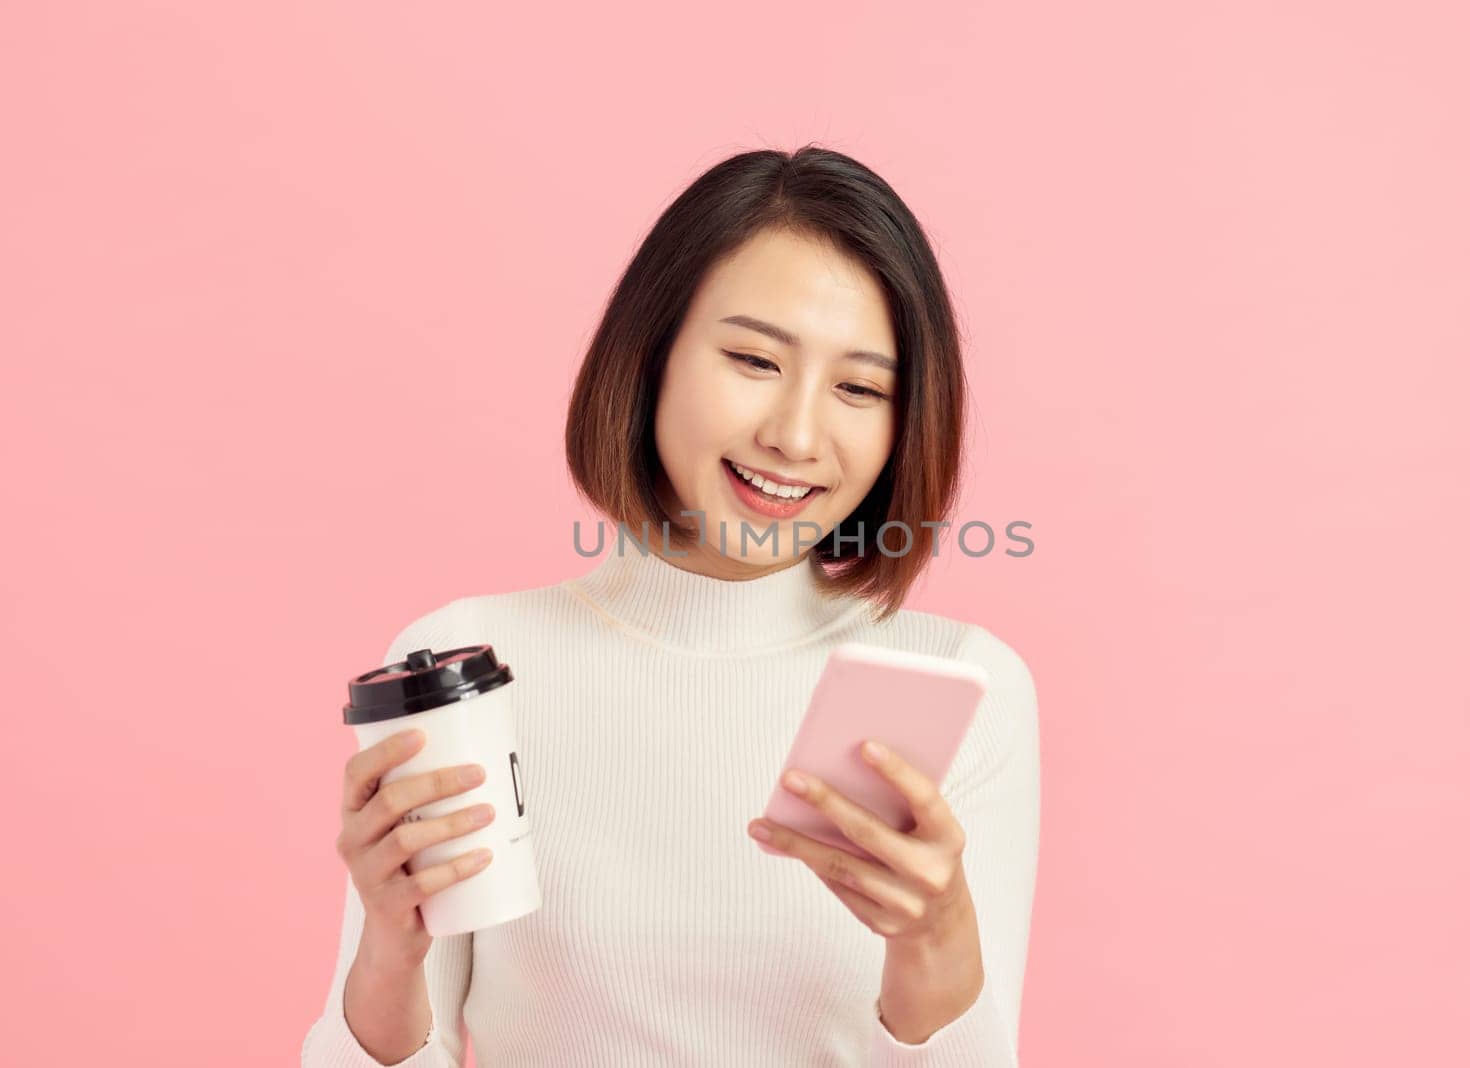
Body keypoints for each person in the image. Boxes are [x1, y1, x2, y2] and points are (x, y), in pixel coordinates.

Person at [301, 145, 1041, 1067]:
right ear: (651, 355)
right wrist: (387, 948)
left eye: (858, 387)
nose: (797, 435)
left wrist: (934, 949)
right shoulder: (469, 665)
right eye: (753, 359)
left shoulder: (957, 687)